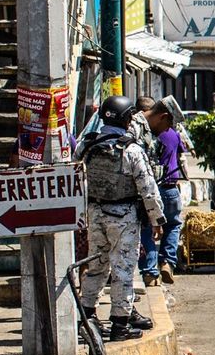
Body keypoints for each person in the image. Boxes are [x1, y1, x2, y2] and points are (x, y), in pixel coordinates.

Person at [78, 96, 164, 341]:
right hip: (124, 217)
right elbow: (148, 188)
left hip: (94, 215)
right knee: (123, 271)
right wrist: (157, 219)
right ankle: (120, 326)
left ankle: (86, 319)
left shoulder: (86, 145)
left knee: (96, 268)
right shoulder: (132, 149)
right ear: (127, 119)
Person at [141, 100, 188, 286]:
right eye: (169, 123)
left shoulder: (149, 135)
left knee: (147, 229)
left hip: (152, 190)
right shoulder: (173, 135)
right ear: (164, 117)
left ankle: (150, 272)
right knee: (173, 225)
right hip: (170, 188)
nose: (168, 128)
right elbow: (179, 156)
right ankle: (167, 262)